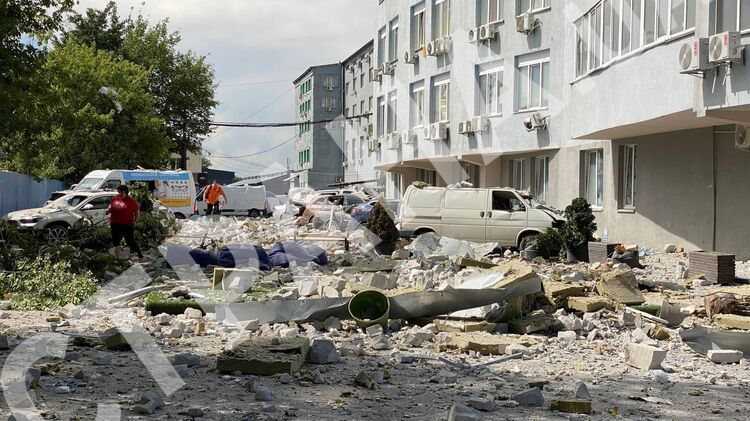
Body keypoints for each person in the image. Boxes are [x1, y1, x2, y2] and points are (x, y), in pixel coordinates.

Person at [106, 185, 143, 260]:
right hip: (115, 223)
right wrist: (108, 209)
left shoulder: (130, 201)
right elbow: (111, 205)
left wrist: (136, 220)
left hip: (127, 224)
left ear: (124, 192)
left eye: (120, 192)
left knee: (130, 241)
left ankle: (140, 256)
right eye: (118, 192)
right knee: (116, 241)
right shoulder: (115, 198)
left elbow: (136, 211)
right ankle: (118, 259)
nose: (118, 194)